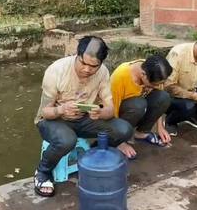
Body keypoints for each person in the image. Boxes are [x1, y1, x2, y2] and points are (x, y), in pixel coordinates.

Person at [34, 36, 133, 197]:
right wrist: (61, 110)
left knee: (124, 130)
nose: (87, 69)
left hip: (84, 119)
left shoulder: (103, 73)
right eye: (83, 63)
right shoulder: (56, 70)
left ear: (100, 63)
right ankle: (42, 171)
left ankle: (92, 154)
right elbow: (45, 112)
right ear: (77, 55)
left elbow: (110, 109)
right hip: (53, 120)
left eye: (93, 66)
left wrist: (100, 112)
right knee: (67, 140)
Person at [110, 55, 173, 159]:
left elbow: (159, 95)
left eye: (160, 83)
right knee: (138, 104)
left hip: (138, 109)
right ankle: (122, 138)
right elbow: (113, 110)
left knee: (163, 97)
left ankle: (141, 133)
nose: (156, 86)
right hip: (120, 114)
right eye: (154, 84)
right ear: (143, 75)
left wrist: (160, 127)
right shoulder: (120, 76)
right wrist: (119, 142)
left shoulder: (155, 71)